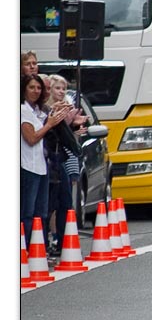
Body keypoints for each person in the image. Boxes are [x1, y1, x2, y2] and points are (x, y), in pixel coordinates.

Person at [21, 74, 68, 247]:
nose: (36, 91)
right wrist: (49, 124)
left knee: (41, 212)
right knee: (28, 212)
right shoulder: (23, 110)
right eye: (31, 87)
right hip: (28, 166)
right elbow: (31, 138)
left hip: (42, 166)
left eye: (39, 88)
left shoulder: (38, 111)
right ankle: (25, 249)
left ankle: (39, 250)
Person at [46, 74, 85, 256]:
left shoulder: (66, 108)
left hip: (63, 159)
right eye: (57, 88)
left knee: (65, 201)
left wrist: (73, 126)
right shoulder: (48, 111)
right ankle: (51, 240)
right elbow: (53, 135)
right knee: (51, 204)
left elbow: (68, 139)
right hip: (50, 160)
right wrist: (68, 123)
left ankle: (62, 241)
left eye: (63, 89)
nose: (61, 92)